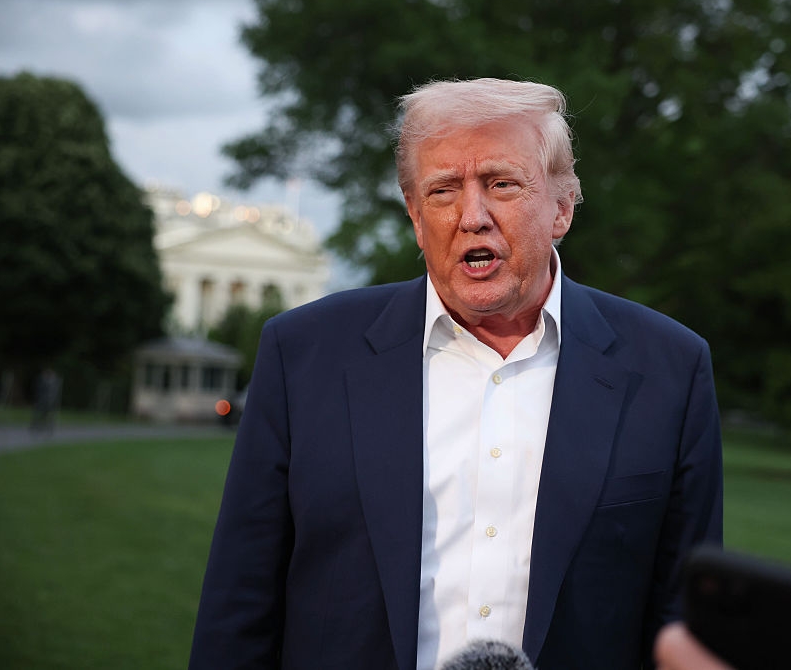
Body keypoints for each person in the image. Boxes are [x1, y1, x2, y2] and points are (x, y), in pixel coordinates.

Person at [189, 78, 723, 670]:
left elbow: (686, 622)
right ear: (417, 219)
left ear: (562, 208)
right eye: (443, 190)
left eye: (501, 184)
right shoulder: (302, 354)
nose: (473, 216)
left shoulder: (670, 369)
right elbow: (238, 606)